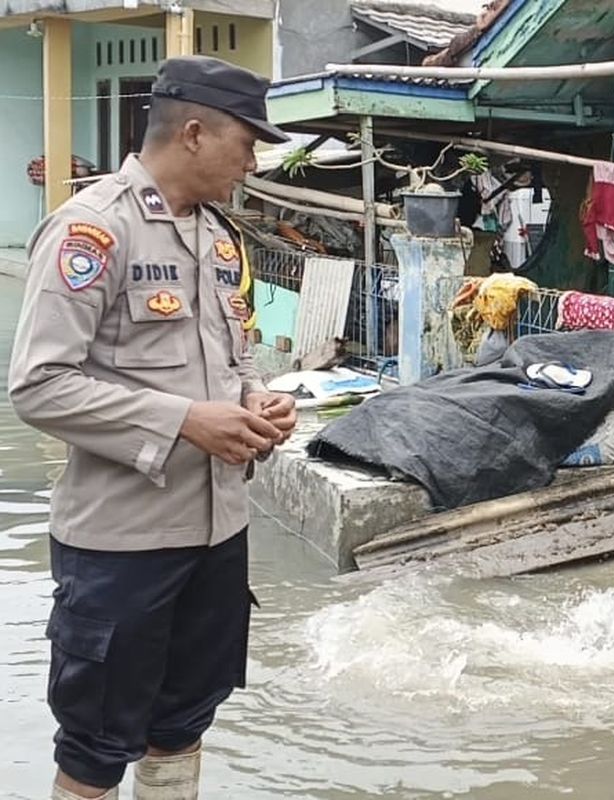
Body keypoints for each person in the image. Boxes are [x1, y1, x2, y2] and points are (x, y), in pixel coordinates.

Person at [9, 55, 298, 800]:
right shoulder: (91, 232)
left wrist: (257, 400)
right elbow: (39, 386)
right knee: (96, 744)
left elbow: (233, 360)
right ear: (195, 133)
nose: (254, 161)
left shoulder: (221, 239)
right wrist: (184, 422)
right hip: (121, 545)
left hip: (215, 534)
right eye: (249, 143)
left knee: (184, 722)